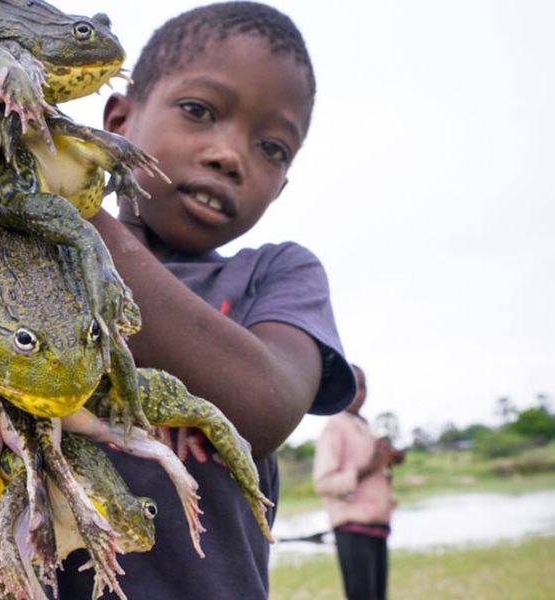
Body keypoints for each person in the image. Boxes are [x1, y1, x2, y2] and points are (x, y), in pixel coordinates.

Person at [51, 3, 356, 598]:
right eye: (199, 111)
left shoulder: (276, 274)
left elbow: (262, 409)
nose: (231, 156)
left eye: (273, 148)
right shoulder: (29, 257)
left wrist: (72, 203)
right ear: (117, 119)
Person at [313, 364, 405, 599]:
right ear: (339, 388)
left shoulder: (365, 426)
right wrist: (374, 465)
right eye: (353, 386)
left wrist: (388, 459)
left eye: (362, 386)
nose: (359, 393)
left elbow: (374, 464)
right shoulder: (335, 427)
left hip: (377, 525)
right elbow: (322, 483)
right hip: (353, 527)